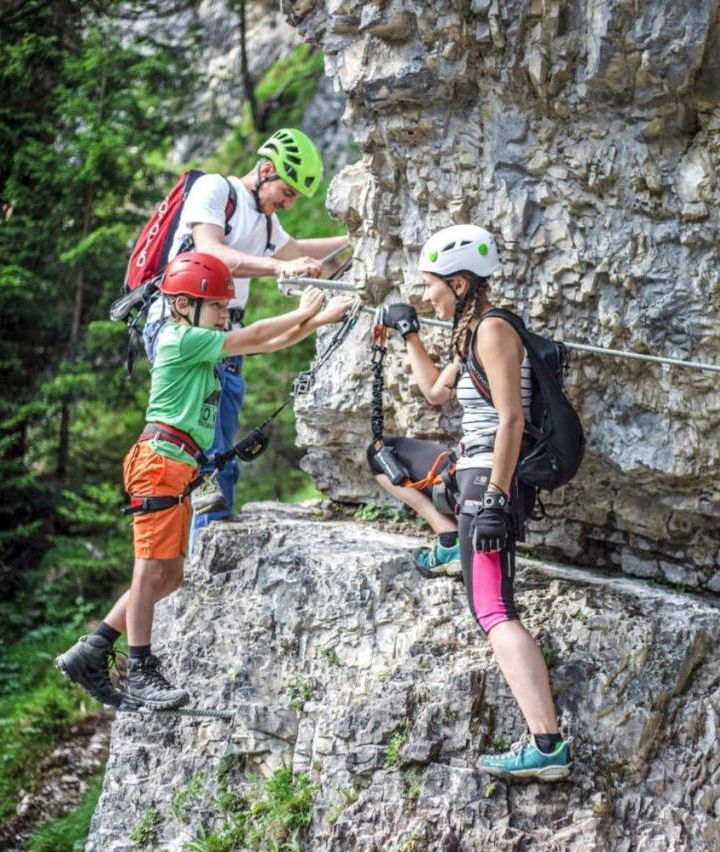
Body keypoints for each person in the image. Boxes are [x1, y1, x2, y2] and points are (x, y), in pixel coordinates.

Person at [58, 252, 352, 709]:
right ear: (181, 306)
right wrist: (303, 310)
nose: (223, 313)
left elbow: (266, 344)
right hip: (160, 463)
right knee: (150, 569)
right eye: (215, 305)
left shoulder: (201, 338)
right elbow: (256, 333)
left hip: (178, 467)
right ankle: (139, 670)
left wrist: (320, 320)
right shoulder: (180, 339)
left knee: (170, 575)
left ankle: (92, 651)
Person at [370, 224, 571, 782]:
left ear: (460, 282)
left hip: (489, 481)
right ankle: (445, 539)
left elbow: (512, 419)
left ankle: (546, 743)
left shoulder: (493, 331)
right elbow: (435, 394)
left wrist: (496, 502)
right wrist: (410, 331)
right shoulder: (469, 333)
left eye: (433, 285)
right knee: (385, 456)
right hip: (472, 471)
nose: (430, 294)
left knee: (492, 609)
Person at [143, 127, 348, 546]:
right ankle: (196, 550)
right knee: (206, 454)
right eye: (287, 192)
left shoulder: (268, 226)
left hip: (225, 340)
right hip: (183, 329)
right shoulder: (215, 190)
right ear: (266, 169)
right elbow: (210, 251)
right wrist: (277, 269)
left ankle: (204, 545)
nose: (288, 204)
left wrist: (360, 238)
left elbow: (311, 258)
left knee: (222, 456)